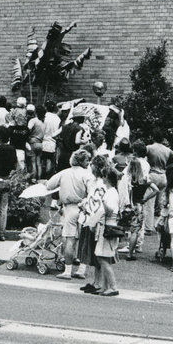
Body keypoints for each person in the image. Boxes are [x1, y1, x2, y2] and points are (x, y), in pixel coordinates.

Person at [48, 149, 94, 280]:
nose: (88, 162)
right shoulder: (88, 175)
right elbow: (92, 193)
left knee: (69, 239)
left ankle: (67, 270)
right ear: (82, 161)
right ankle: (81, 269)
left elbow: (50, 185)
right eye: (87, 160)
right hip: (84, 208)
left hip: (69, 208)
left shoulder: (65, 172)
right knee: (85, 241)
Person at [90, 160, 121, 296]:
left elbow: (110, 210)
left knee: (102, 258)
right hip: (106, 225)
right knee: (103, 258)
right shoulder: (111, 191)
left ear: (106, 178)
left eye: (104, 176)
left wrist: (101, 201)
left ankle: (113, 287)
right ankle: (105, 286)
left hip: (108, 226)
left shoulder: (112, 193)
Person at [124, 142, 157, 259]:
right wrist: (146, 198)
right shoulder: (144, 180)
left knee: (127, 227)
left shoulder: (128, 181)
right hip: (139, 204)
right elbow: (156, 190)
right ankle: (131, 252)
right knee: (136, 230)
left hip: (128, 204)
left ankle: (126, 247)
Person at [146, 133, 173, 228]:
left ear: (153, 138)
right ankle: (166, 224)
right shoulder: (167, 150)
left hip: (152, 174)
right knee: (162, 203)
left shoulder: (149, 148)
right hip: (163, 175)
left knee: (150, 202)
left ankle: (148, 227)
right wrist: (167, 167)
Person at [41, 100, 61, 178]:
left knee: (42, 161)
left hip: (43, 141)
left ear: (46, 107)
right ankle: (47, 177)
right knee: (49, 160)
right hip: (52, 142)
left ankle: (41, 176)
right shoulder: (57, 119)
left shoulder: (44, 117)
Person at [26, 105, 45, 179]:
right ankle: (39, 178)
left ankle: (33, 178)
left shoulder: (33, 121)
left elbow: (28, 130)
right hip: (40, 143)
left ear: (36, 112)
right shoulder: (43, 122)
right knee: (39, 163)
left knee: (33, 162)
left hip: (32, 143)